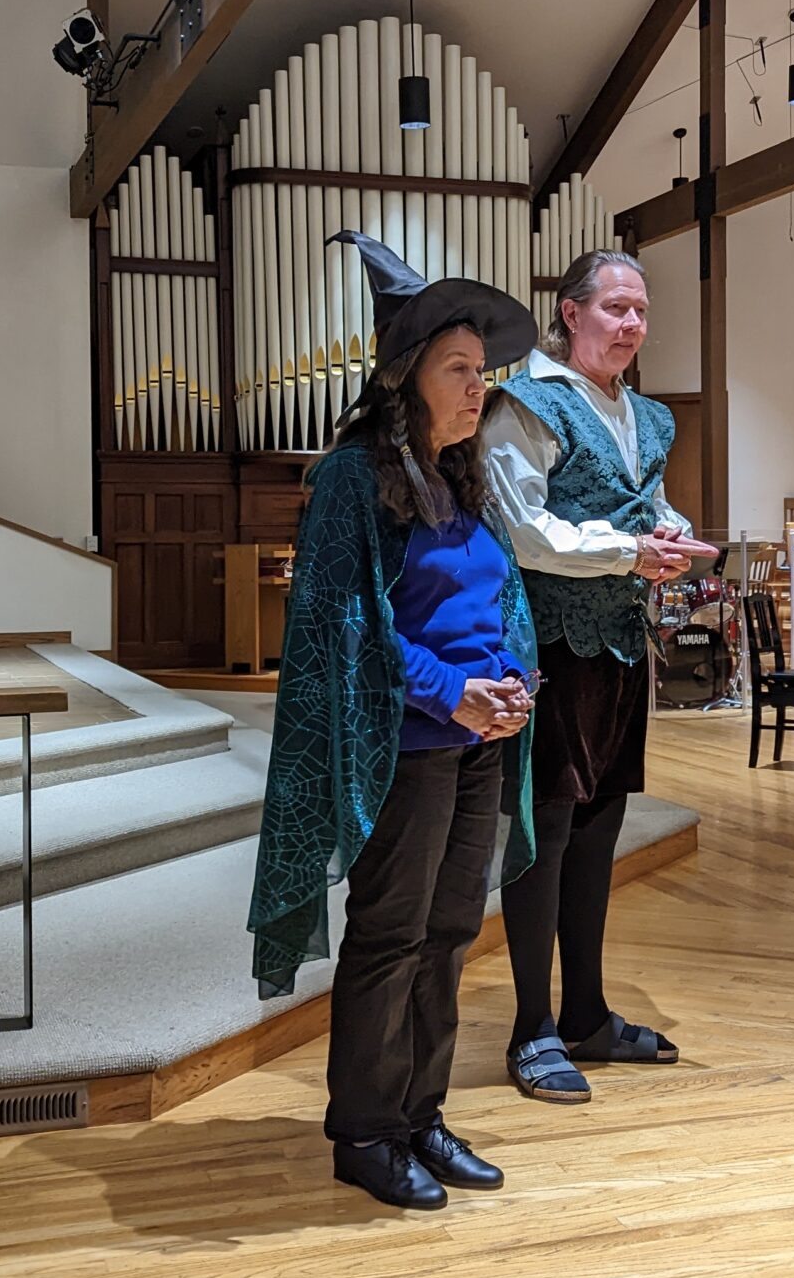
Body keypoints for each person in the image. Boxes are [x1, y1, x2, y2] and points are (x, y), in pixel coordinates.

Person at [248, 232, 542, 1211]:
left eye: (481, 370)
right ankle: (364, 1130)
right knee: (391, 934)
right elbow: (337, 628)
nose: (476, 387)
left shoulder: (464, 477)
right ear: (404, 374)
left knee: (453, 930)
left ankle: (420, 1112)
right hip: (406, 748)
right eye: (458, 369)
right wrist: (445, 692)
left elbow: (495, 602)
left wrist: (509, 681)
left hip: (474, 745)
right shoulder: (349, 479)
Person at [486, 250, 714, 1103]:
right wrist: (631, 553)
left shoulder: (649, 417)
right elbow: (527, 532)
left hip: (618, 644)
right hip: (549, 646)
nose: (631, 326)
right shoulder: (525, 404)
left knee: (597, 834)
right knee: (542, 841)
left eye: (641, 313)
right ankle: (531, 1028)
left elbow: (645, 506)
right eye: (616, 309)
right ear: (570, 313)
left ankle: (584, 1012)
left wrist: (674, 538)